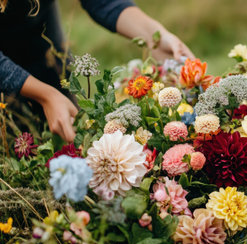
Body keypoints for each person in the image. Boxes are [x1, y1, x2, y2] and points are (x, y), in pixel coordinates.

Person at [0, 0, 194, 142]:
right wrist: (46, 96)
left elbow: (104, 2)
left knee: (63, 135)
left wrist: (156, 37)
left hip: (43, 41)